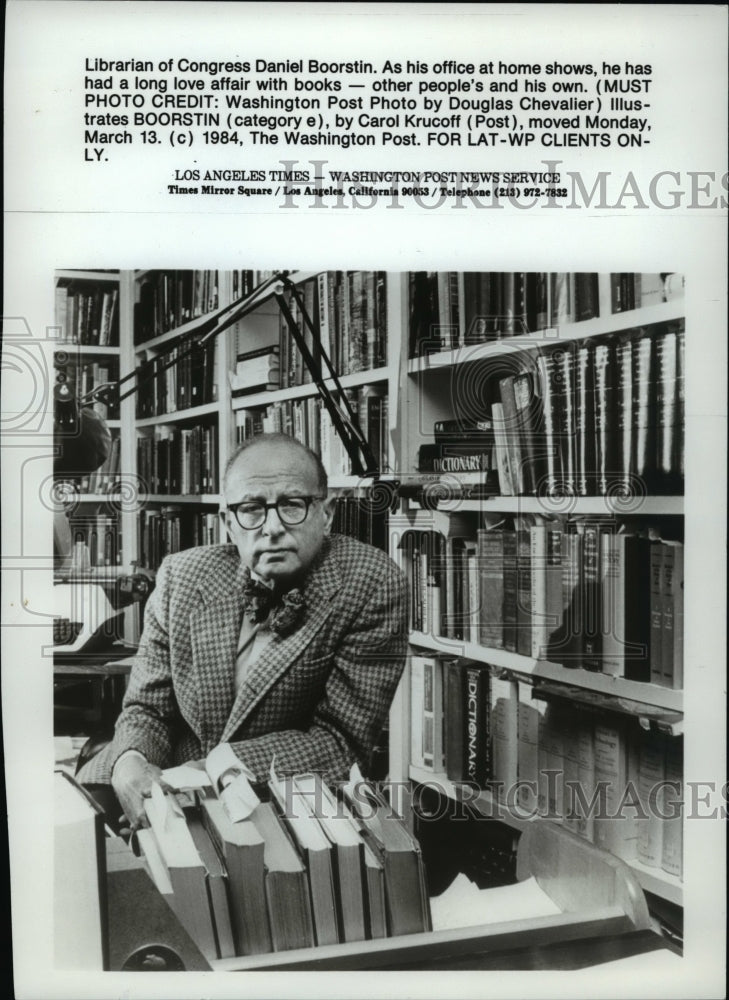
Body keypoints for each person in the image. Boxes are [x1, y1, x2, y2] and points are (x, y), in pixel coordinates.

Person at [77, 433, 408, 829]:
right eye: (252, 509)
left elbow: (341, 745)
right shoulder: (181, 577)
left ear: (327, 513)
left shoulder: (371, 582)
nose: (272, 527)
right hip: (164, 786)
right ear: (228, 523)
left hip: (289, 806)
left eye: (292, 505)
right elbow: (147, 709)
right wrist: (130, 764)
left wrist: (214, 769)